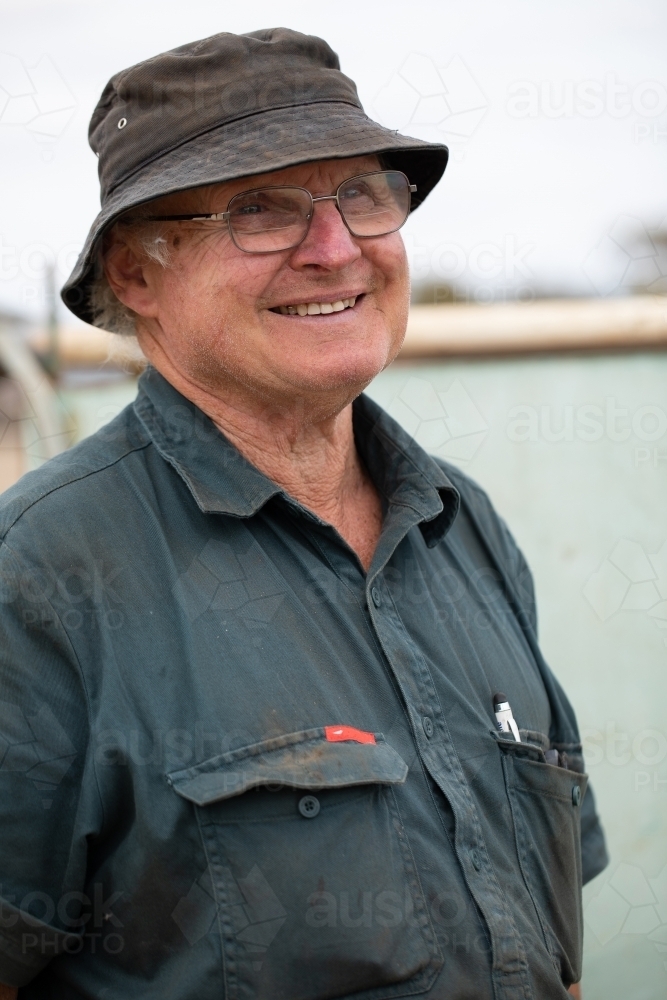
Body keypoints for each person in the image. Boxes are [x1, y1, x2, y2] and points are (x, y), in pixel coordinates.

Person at [0, 28, 606, 1000]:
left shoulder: (461, 524)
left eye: (361, 194)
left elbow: (548, 941)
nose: (334, 248)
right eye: (260, 210)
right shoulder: (40, 577)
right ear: (137, 274)